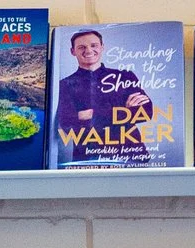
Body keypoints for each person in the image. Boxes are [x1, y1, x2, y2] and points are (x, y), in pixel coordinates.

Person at [56, 29, 152, 162]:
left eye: (94, 45)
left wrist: (89, 114)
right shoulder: (64, 85)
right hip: (89, 158)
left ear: (102, 47)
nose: (88, 51)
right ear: (73, 51)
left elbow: (147, 112)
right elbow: (67, 124)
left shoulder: (125, 76)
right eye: (81, 47)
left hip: (131, 154)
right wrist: (125, 111)